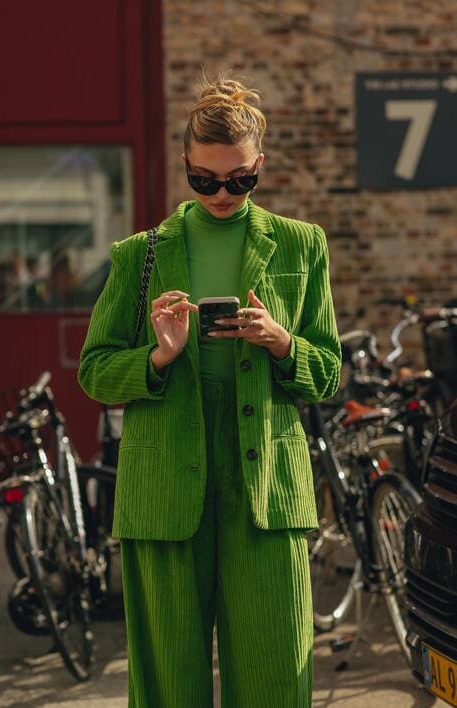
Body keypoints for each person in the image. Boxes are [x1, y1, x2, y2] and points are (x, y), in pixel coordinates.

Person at [78, 74, 341, 708]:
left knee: (277, 673)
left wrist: (281, 341)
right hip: (165, 482)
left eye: (239, 180)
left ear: (259, 166)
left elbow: (328, 371)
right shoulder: (139, 254)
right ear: (185, 167)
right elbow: (94, 371)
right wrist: (159, 355)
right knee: (169, 683)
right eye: (205, 180)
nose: (222, 193)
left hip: (267, 483)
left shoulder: (302, 246)